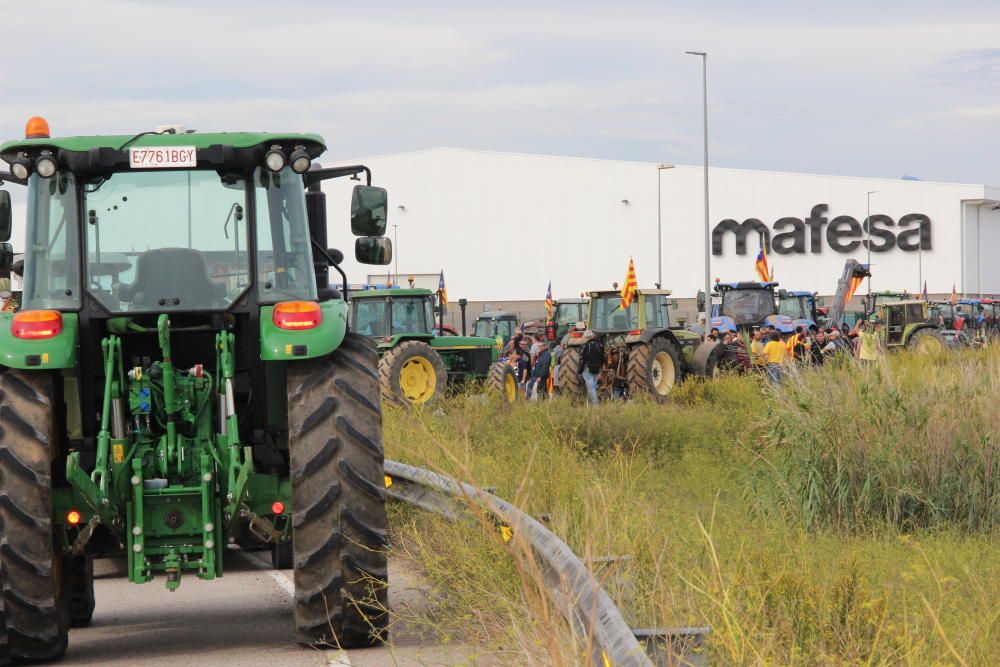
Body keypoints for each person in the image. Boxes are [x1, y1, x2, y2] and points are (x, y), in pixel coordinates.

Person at [580, 330, 604, 404]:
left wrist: (580, 370)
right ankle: (591, 406)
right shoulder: (600, 345)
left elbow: (583, 358)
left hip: (588, 369)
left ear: (586, 337)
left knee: (591, 389)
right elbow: (602, 358)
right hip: (596, 370)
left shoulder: (585, 345)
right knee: (593, 387)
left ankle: (596, 407)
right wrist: (600, 368)